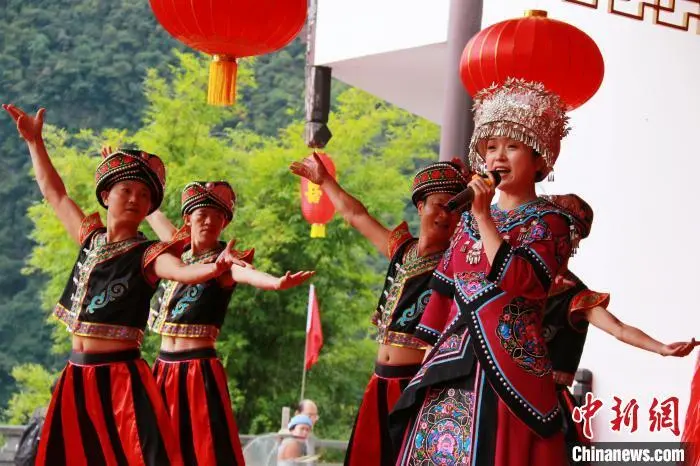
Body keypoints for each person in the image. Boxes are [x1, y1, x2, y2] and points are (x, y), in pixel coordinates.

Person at [3, 104, 240, 465]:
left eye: (144, 196)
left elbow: (179, 269)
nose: (135, 199)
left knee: (143, 458)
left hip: (121, 379)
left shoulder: (148, 254)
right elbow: (56, 195)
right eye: (126, 190)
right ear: (106, 196)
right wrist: (36, 143)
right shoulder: (90, 237)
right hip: (76, 375)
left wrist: (211, 269)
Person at [390, 78, 576, 465]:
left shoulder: (550, 222)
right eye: (491, 148)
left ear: (540, 159)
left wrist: (482, 215)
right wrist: (427, 354)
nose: (498, 157)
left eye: (512, 146)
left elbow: (523, 280)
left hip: (510, 365)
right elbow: (444, 287)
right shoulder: (470, 222)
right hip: (452, 361)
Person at [290, 155, 469, 466]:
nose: (446, 214)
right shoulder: (400, 248)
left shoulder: (456, 265)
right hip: (379, 381)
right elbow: (356, 215)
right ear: (421, 206)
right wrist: (325, 181)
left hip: (418, 384)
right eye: (439, 204)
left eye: (455, 208)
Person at [145, 180, 314, 465]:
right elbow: (152, 213)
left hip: (198, 369)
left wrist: (276, 283)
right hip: (162, 367)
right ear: (188, 218)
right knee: (159, 445)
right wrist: (135, 183)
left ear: (224, 223)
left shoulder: (225, 263)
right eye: (202, 215)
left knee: (204, 447)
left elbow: (248, 274)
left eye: (218, 217)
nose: (209, 222)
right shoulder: (176, 251)